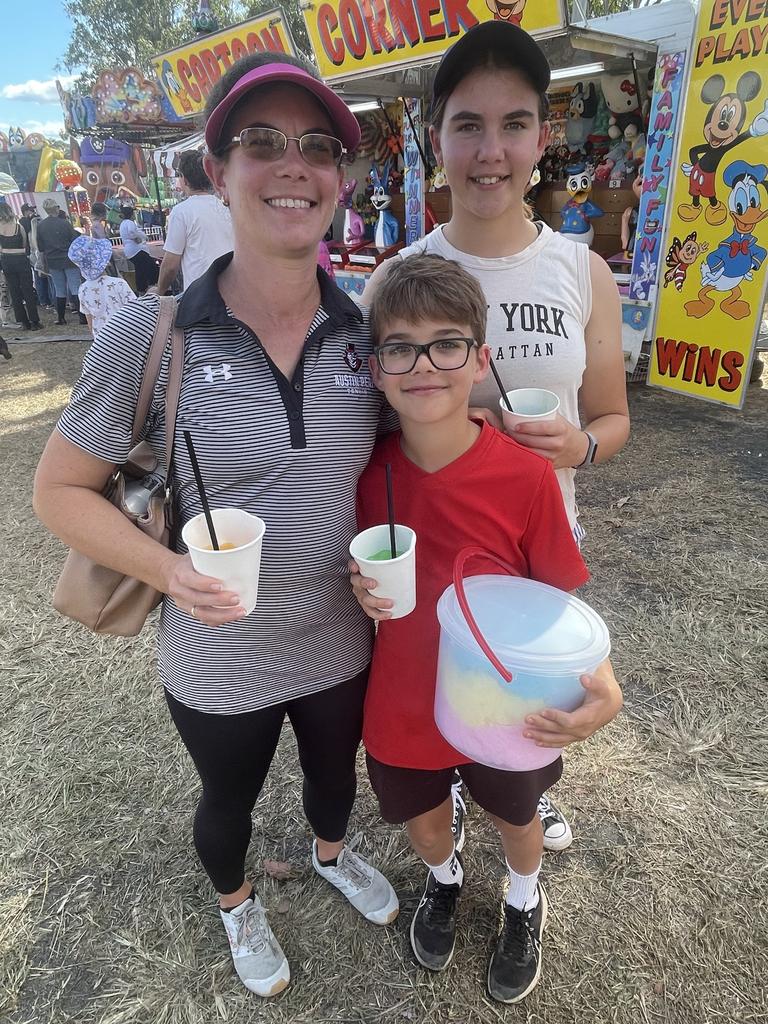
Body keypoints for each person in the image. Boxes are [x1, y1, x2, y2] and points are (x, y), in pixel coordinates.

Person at [33, 50, 399, 1001]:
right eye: (261, 142)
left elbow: (419, 456)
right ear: (219, 166)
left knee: (333, 781)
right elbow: (59, 492)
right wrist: (166, 572)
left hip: (337, 633)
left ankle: (327, 853)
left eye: (318, 146)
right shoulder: (150, 334)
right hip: (216, 645)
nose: (293, 165)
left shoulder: (366, 336)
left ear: (340, 182)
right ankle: (237, 903)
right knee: (228, 802)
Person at [362, 21, 630, 852]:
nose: (490, 150)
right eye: (466, 125)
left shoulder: (582, 271)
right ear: (436, 138)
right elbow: (374, 429)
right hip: (436, 541)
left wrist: (578, 449)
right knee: (438, 702)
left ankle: (519, 791)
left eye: (513, 123)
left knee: (524, 723)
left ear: (542, 140)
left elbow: (612, 419)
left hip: (536, 539)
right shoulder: (397, 278)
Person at [351, 254, 623, 1003]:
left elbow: (562, 600)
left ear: (481, 359)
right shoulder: (366, 475)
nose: (424, 365)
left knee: (517, 811)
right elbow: (357, 576)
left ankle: (523, 896)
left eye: (447, 344)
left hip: (506, 697)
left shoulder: (527, 476)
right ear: (377, 369)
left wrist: (600, 681)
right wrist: (357, 588)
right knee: (425, 825)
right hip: (404, 695)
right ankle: (444, 880)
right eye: (400, 347)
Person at [154, 149, 233, 294]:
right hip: (231, 291)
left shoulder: (181, 212)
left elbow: (170, 265)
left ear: (184, 179)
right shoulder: (225, 207)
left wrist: (159, 290)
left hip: (201, 296)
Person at [68, 235, 135, 342]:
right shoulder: (119, 284)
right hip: (126, 335)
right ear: (106, 260)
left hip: (102, 339)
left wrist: (95, 338)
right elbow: (135, 310)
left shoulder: (83, 290)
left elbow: (89, 319)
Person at [36, 199, 85, 325]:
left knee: (59, 289)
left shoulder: (41, 226)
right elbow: (75, 241)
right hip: (68, 259)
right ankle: (82, 317)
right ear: (56, 208)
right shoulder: (65, 223)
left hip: (52, 260)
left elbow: (40, 247)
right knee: (75, 287)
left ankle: (61, 317)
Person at [0, 202, 42, 330]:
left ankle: (23, 321)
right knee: (27, 290)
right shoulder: (18, 227)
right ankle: (34, 321)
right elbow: (25, 244)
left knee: (14, 291)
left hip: (7, 260)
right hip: (20, 258)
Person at [118, 206, 159, 294]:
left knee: (141, 268)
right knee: (150, 266)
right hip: (136, 249)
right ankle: (148, 285)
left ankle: (142, 288)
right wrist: (136, 238)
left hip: (130, 250)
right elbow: (132, 232)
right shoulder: (130, 223)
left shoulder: (123, 224)